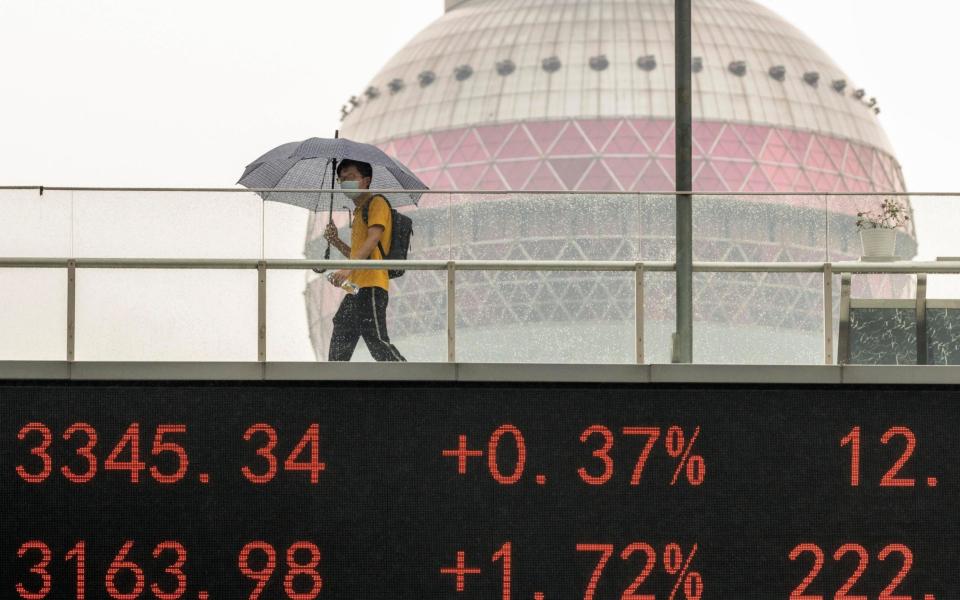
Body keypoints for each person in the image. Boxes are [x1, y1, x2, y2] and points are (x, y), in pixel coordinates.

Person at [321, 159, 406, 362]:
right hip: (356, 287)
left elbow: (373, 239)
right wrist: (336, 241)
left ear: (366, 180)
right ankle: (333, 379)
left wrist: (347, 269)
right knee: (341, 326)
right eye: (341, 179)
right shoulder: (358, 212)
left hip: (373, 285)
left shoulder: (377, 203)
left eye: (350, 177)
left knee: (376, 339)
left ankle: (410, 377)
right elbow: (359, 253)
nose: (344, 182)